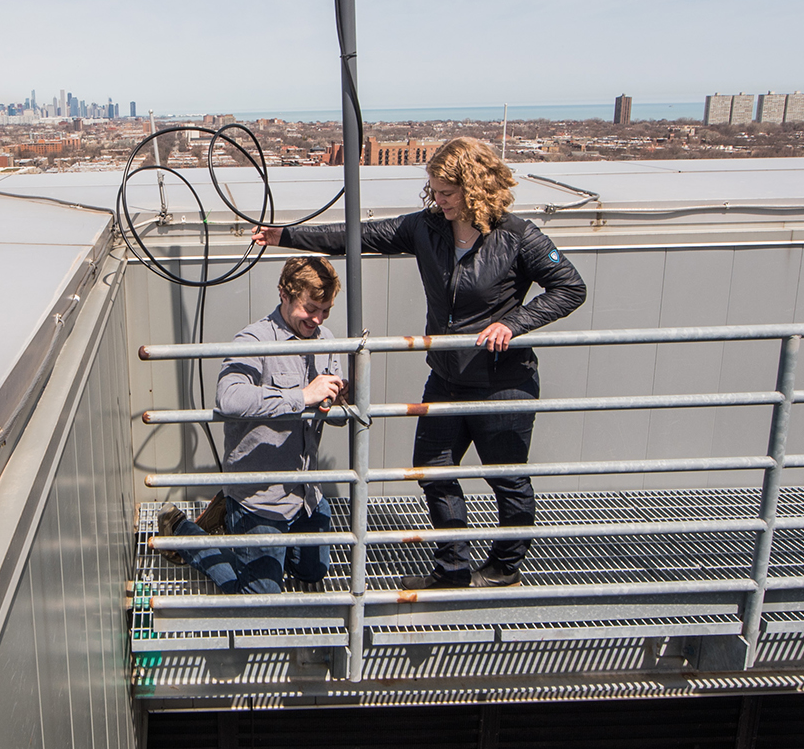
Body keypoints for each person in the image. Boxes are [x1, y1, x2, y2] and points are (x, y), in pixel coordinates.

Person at [251, 137, 586, 589]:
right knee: (432, 471)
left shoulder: (519, 235)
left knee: (506, 477)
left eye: (447, 192)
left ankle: (505, 565)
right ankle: (453, 569)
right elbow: (359, 236)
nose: (439, 201)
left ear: (475, 188)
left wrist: (514, 323)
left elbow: (570, 288)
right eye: (435, 192)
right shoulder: (427, 228)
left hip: (502, 381)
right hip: (447, 376)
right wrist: (285, 236)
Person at [157, 257, 347, 594]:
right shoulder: (253, 340)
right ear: (284, 294)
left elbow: (330, 405)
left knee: (313, 572)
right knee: (261, 598)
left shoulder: (326, 338)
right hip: (262, 498)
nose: (318, 320)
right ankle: (187, 533)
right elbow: (228, 399)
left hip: (306, 494)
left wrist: (339, 397)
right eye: (311, 308)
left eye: (326, 311)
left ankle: (245, 533)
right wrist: (302, 396)